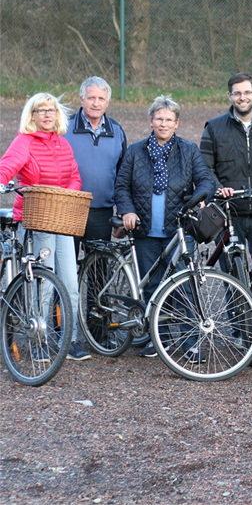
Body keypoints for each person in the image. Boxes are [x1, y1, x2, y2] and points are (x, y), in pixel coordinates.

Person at [115, 96, 216, 359]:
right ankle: (157, 338)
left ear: (176, 123)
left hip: (179, 231)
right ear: (151, 121)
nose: (163, 123)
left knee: (184, 286)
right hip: (145, 231)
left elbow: (205, 180)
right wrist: (127, 210)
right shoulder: (136, 151)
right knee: (152, 286)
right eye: (158, 118)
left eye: (168, 119)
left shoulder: (188, 150)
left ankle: (189, 343)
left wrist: (201, 196)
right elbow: (122, 185)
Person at [0, 93, 88, 361]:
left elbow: (74, 176)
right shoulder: (23, 142)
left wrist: (62, 196)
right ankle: (38, 340)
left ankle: (69, 340)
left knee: (70, 283)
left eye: (51, 110)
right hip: (36, 217)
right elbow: (7, 167)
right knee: (43, 283)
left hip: (59, 217)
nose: (47, 115)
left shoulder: (62, 143)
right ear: (32, 115)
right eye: (41, 110)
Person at [200, 73, 252, 253]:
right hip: (228, 214)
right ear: (229, 96)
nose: (242, 98)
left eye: (246, 92)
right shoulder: (213, 128)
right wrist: (219, 188)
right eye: (237, 93)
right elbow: (205, 168)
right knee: (232, 274)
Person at [64, 76, 127, 249]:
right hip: (68, 210)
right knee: (64, 270)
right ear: (81, 99)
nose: (96, 103)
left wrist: (122, 213)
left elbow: (123, 176)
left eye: (101, 99)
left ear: (108, 102)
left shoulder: (116, 131)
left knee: (98, 271)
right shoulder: (63, 128)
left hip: (102, 213)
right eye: (91, 98)